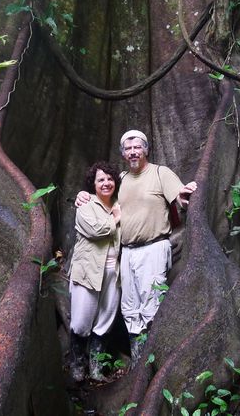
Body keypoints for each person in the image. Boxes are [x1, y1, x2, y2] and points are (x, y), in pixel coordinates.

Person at [76, 130, 196, 365]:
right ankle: (138, 364)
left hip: (154, 248)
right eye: (128, 148)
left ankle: (153, 364)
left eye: (137, 147)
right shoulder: (119, 179)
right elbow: (101, 200)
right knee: (130, 308)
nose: (133, 152)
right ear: (123, 154)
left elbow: (180, 198)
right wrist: (84, 195)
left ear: (146, 150)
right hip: (126, 252)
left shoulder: (161, 173)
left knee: (151, 306)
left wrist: (186, 194)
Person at [68, 162, 123, 382]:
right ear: (93, 184)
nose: (106, 183)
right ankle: (77, 368)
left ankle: (96, 369)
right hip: (88, 272)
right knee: (81, 322)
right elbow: (95, 230)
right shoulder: (85, 205)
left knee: (105, 321)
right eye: (101, 179)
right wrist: (116, 218)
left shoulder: (120, 203)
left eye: (110, 178)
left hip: (114, 273)